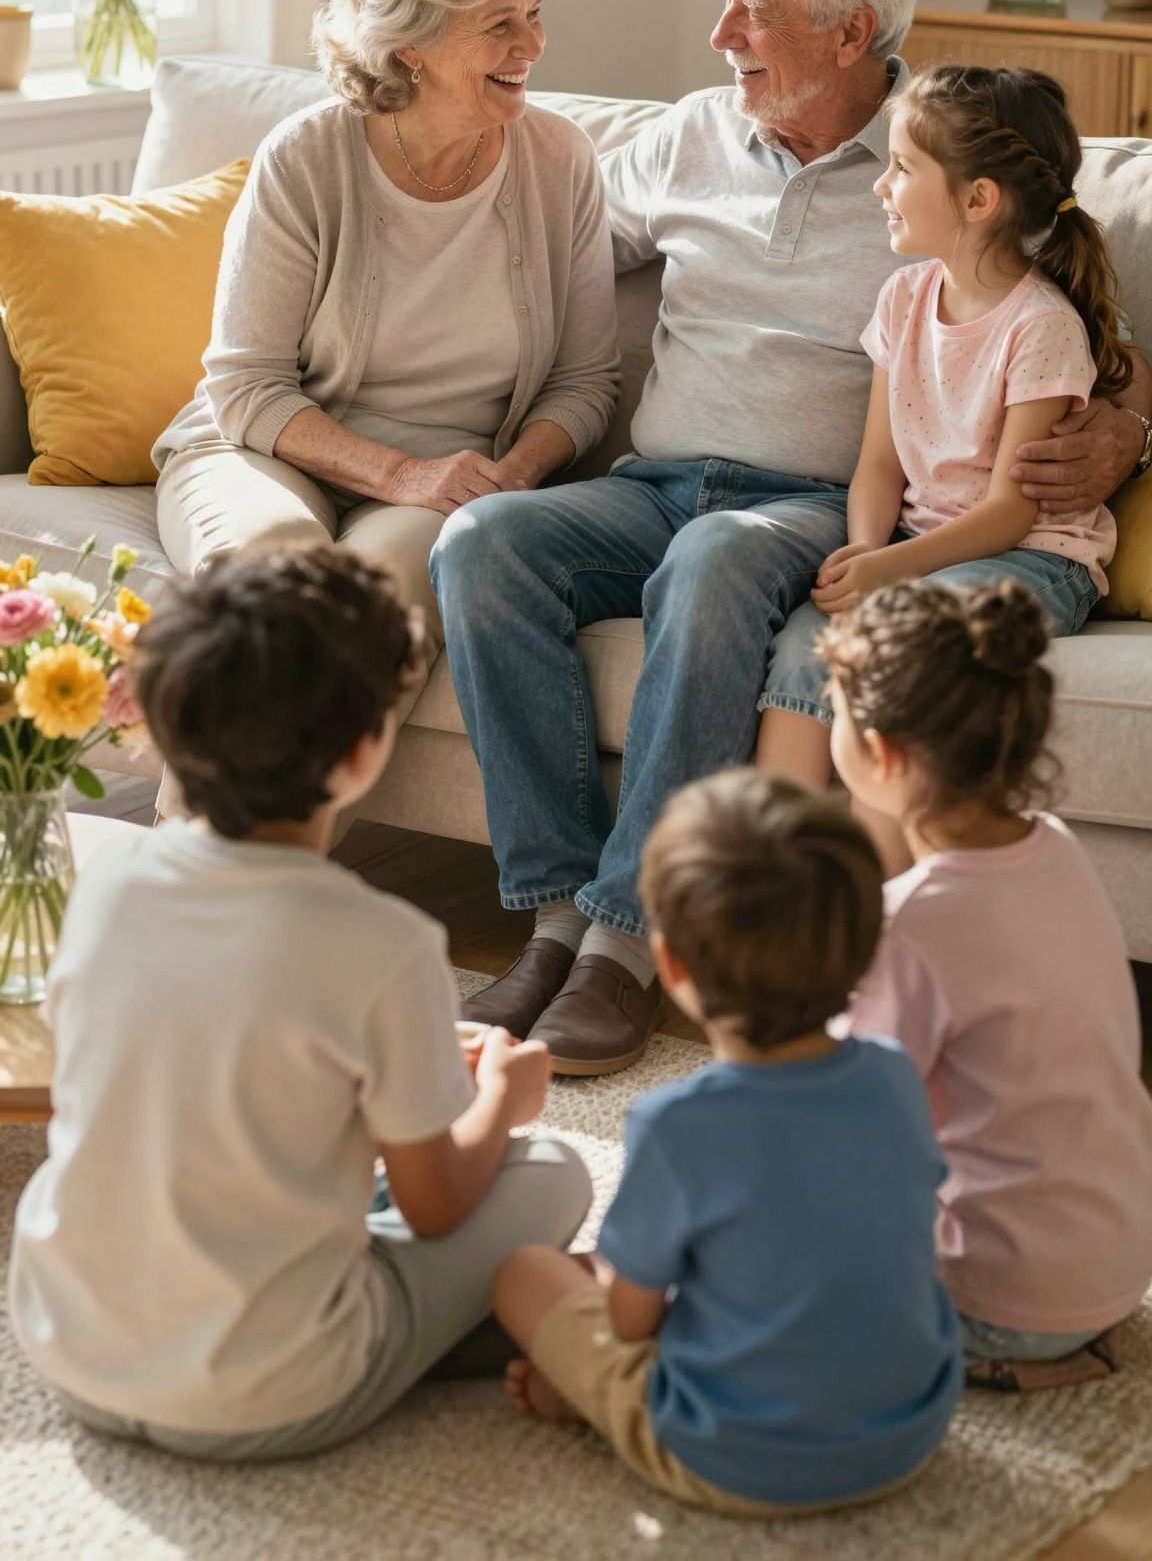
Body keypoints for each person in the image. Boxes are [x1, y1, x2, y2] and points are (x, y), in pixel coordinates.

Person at [433, 0, 1152, 1074]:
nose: (720, 39)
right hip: (654, 479)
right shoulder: (684, 135)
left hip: (808, 504)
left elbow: (1072, 319)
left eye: (749, 13)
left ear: (848, 33)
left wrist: (1127, 420)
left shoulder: (941, 161)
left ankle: (625, 934)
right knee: (485, 543)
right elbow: (537, 259)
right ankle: (557, 907)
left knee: (716, 557)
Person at [9, 545, 591, 1461]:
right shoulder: (380, 943)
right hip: (267, 1396)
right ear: (365, 751)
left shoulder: (109, 878)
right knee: (556, 1166)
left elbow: (203, 1035)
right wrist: (502, 1104)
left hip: (68, 1347)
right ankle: (432, 1331)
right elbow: (438, 1205)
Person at [152, 0, 619, 734]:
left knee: (367, 621)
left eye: (536, 13)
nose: (534, 44)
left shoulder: (560, 160)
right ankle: (223, 859)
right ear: (412, 41)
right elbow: (246, 386)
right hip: (269, 447)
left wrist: (511, 479)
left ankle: (229, 860)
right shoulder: (308, 157)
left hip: (441, 488)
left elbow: (587, 380)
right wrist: (397, 471)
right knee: (271, 580)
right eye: (501, 23)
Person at [491, 771, 963, 1514]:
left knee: (527, 1272)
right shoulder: (896, 1077)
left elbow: (629, 1322)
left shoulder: (677, 1125)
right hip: (910, 1433)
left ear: (671, 965)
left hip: (740, 1459)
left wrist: (625, 1289)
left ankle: (597, 1403)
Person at [758, 63, 1134, 789]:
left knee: (897, 636)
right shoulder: (902, 298)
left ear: (979, 199)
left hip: (1031, 557)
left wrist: (888, 570)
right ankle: (779, 870)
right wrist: (864, 553)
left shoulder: (1042, 326)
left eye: (900, 168)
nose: (880, 186)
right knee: (811, 634)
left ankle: (891, 876)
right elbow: (878, 465)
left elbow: (1009, 512)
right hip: (918, 544)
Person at [822, 577, 1152, 1387]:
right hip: (1120, 1263)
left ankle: (995, 1355)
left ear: (884, 753)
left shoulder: (913, 924)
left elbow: (845, 1117)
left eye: (835, 712)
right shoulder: (1057, 848)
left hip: (1003, 1300)